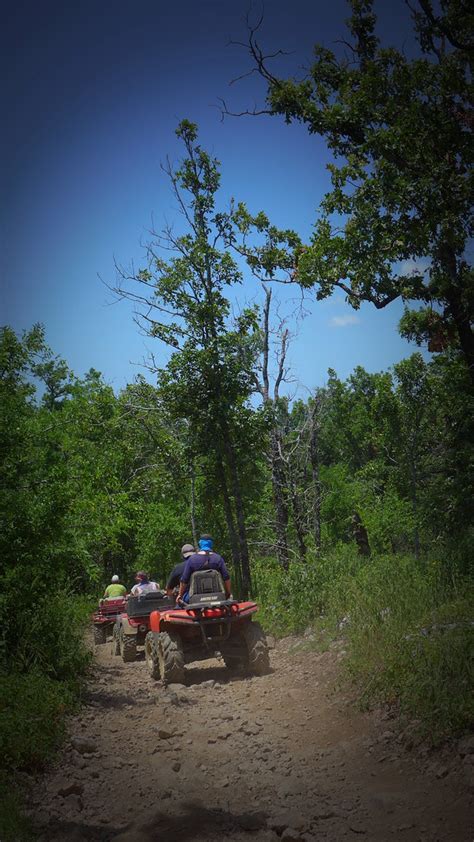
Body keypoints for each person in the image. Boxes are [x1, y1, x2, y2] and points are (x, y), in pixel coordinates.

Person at [177, 534, 231, 603]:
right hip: (217, 597)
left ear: (200, 544)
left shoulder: (192, 559)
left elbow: (184, 581)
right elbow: (226, 578)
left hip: (195, 598)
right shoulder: (218, 559)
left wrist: (180, 595)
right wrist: (228, 593)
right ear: (211, 544)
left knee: (184, 598)